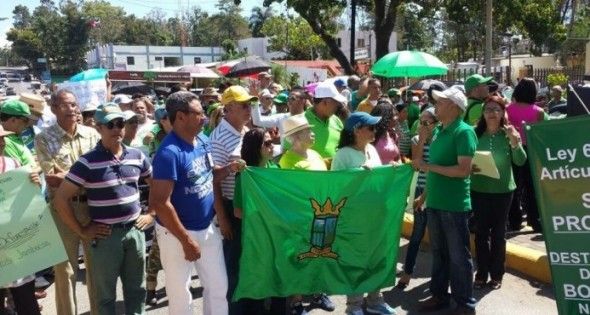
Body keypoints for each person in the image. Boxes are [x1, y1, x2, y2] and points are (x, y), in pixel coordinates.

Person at [53, 103, 154, 315]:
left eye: (120, 123)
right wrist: (82, 231)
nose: (117, 129)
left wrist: (151, 214)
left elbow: (157, 186)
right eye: (111, 125)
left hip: (134, 231)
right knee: (105, 298)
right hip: (105, 237)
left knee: (137, 291)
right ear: (99, 128)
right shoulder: (87, 161)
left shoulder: (137, 156)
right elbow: (61, 199)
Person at [149, 91, 228, 315]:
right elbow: (161, 203)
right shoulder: (168, 153)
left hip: (206, 227)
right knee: (181, 298)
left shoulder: (202, 140)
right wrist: (185, 240)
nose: (204, 117)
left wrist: (230, 169)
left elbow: (209, 176)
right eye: (199, 113)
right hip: (176, 235)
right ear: (181, 117)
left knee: (218, 288)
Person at [35, 89, 101, 315]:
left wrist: (70, 176)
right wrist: (86, 174)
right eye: (65, 105)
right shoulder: (44, 138)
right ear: (53, 108)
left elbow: (101, 170)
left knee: (97, 268)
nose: (72, 109)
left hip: (93, 207)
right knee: (65, 270)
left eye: (74, 104)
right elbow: (52, 178)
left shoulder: (92, 134)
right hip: (63, 209)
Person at [413, 87, 477, 315]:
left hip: (454, 205)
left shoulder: (464, 132)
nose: (435, 106)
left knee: (459, 257)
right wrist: (425, 195)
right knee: (439, 252)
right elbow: (419, 163)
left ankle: (465, 304)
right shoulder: (439, 131)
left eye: (440, 102)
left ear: (453, 106)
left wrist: (430, 168)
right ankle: (439, 295)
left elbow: (463, 171)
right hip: (436, 202)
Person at [330, 112, 397, 315]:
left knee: (376, 257)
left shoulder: (371, 149)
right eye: (370, 127)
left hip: (375, 216)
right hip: (354, 219)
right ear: (357, 130)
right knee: (356, 260)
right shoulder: (342, 155)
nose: (374, 131)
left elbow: (376, 179)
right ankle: (354, 305)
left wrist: (388, 170)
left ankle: (376, 300)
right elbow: (335, 188)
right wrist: (359, 173)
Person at [279, 115, 334, 315]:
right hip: (301, 217)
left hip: (322, 214)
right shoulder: (287, 160)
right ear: (296, 136)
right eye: (307, 131)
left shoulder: (315, 155)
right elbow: (290, 190)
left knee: (321, 253)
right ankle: (296, 300)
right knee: (300, 256)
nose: (312, 133)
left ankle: (318, 292)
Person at [210, 85, 256, 315]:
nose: (249, 109)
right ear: (228, 108)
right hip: (231, 208)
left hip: (248, 207)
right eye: (244, 105)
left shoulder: (245, 131)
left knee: (248, 260)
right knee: (234, 265)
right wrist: (223, 218)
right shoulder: (218, 138)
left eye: (250, 104)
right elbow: (213, 180)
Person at [471, 95, 526, 290]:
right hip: (479, 189)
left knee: (498, 234)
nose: (492, 113)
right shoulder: (474, 134)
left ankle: (497, 274)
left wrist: (514, 141)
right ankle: (481, 273)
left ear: (503, 112)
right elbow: (464, 159)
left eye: (496, 109)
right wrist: (470, 168)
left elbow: (520, 161)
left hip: (503, 191)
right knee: (481, 233)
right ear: (483, 113)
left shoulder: (509, 133)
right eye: (488, 110)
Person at [232, 128, 286, 314]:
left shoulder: (276, 169)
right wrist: (264, 216)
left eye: (272, 142)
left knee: (280, 280)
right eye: (267, 143)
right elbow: (238, 212)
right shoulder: (245, 175)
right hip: (257, 239)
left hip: (277, 236)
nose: (272, 147)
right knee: (259, 282)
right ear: (256, 148)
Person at [0, 125, 43, 315]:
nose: (2, 143)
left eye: (3, 138)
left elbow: (26, 199)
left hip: (15, 240)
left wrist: (33, 183)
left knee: (25, 296)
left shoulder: (13, 164)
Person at [397, 107, 438, 289]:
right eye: (420, 121)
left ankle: (438, 276)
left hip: (438, 189)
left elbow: (436, 166)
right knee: (417, 234)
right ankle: (407, 272)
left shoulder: (441, 139)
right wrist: (421, 139)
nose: (422, 125)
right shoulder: (416, 139)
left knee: (438, 237)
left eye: (426, 122)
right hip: (422, 188)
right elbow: (416, 163)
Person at [506, 78, 547, 232]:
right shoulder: (539, 112)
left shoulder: (508, 109)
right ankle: (535, 220)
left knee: (514, 186)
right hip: (531, 151)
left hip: (513, 149)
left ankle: (514, 220)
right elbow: (541, 134)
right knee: (532, 187)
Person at [305, 82, 345, 159]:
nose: (337, 105)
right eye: (335, 102)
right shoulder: (300, 121)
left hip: (335, 170)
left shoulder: (336, 120)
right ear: (325, 102)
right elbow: (288, 152)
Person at [0, 99, 36, 167]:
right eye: (25, 120)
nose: (27, 124)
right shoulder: (5, 142)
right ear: (13, 120)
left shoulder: (14, 136)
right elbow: (21, 173)